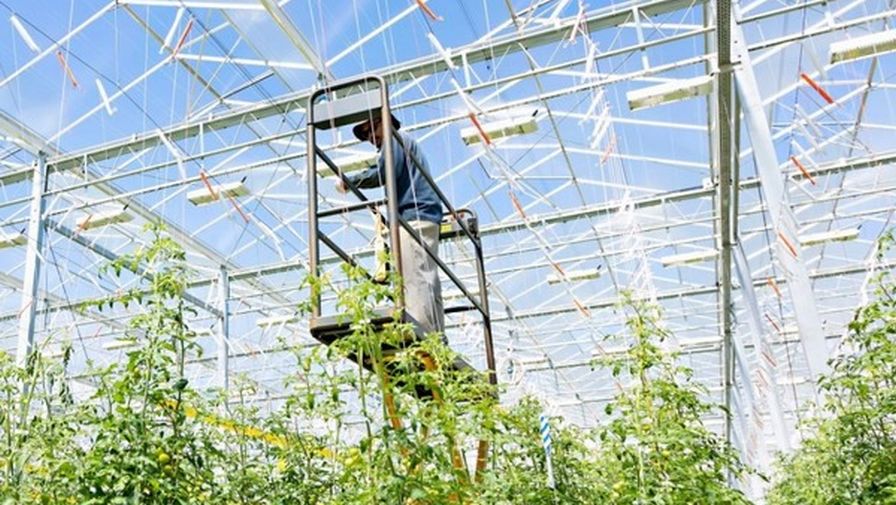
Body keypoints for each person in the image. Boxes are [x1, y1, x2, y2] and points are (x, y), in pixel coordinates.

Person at [335, 114, 445, 335]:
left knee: (414, 278)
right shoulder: (403, 142)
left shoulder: (394, 140)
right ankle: (434, 333)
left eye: (370, 129)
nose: (369, 137)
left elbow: (383, 173)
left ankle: (422, 332)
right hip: (422, 213)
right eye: (365, 134)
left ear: (384, 122)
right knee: (424, 275)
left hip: (413, 215)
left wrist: (350, 181)